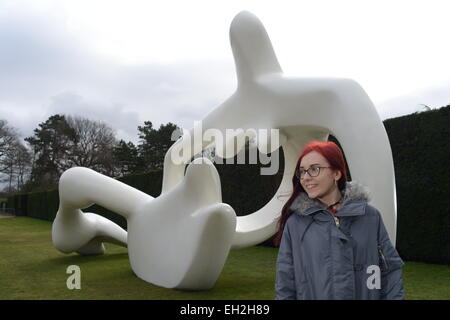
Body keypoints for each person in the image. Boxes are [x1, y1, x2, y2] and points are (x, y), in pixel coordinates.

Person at [274, 140, 404, 300]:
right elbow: (285, 283)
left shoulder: (370, 217)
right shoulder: (295, 224)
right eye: (302, 171)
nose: (305, 178)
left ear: (336, 173)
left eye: (314, 169)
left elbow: (390, 270)